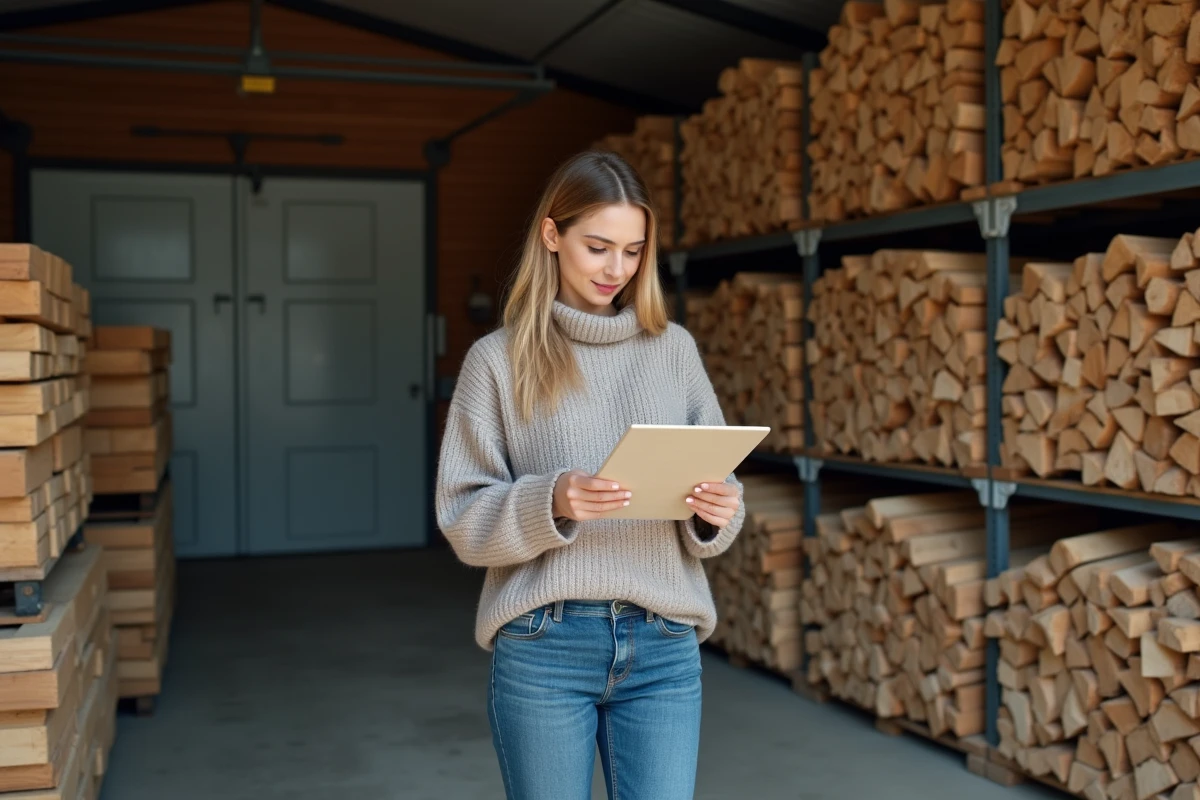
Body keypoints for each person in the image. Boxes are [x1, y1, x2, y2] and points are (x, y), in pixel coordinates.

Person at [434, 149, 746, 800]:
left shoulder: (674, 351)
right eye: (598, 247)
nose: (616, 269)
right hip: (543, 645)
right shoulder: (497, 362)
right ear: (553, 235)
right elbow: (462, 517)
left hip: (664, 642)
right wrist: (551, 500)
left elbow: (721, 485)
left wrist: (716, 510)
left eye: (633, 251)